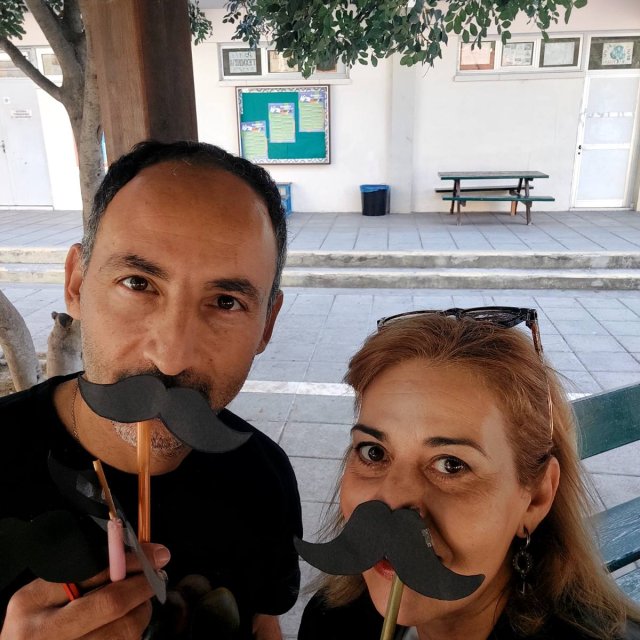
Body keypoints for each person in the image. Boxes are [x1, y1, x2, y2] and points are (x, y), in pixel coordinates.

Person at [0, 140, 301, 639]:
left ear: (267, 324)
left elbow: (262, 624)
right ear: (76, 285)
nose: (171, 358)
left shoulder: (263, 477)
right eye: (138, 283)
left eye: (226, 301)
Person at [298, 308, 640, 640]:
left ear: (536, 498)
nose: (392, 500)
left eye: (451, 464)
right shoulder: (330, 621)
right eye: (374, 452)